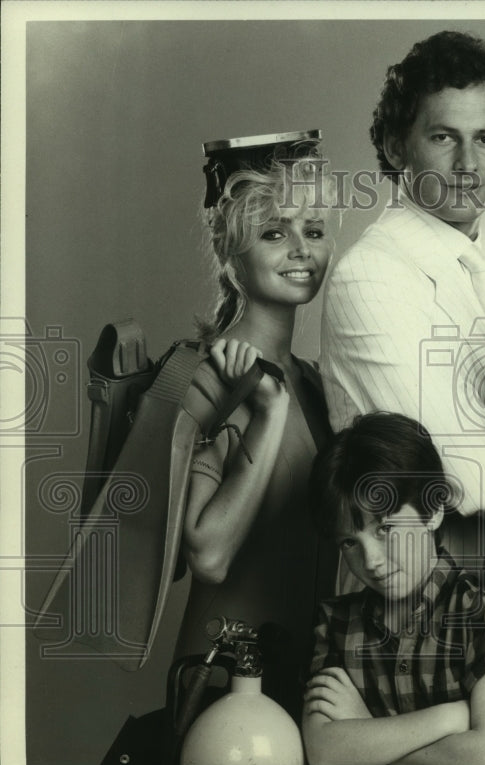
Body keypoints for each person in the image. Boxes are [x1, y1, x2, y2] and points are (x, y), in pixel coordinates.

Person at [320, 30, 485, 533]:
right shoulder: (368, 279)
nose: (467, 165)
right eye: (443, 137)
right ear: (397, 148)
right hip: (434, 593)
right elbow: (467, 475)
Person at [174, 132, 338, 719]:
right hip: (223, 687)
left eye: (313, 231)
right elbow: (209, 556)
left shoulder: (317, 381)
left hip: (304, 682)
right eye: (274, 233)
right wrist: (267, 417)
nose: (301, 249)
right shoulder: (205, 377)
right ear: (229, 249)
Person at [303, 412, 485, 765]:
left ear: (433, 510)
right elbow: (324, 753)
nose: (371, 561)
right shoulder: (335, 623)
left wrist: (366, 732)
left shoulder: (481, 607)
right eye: (349, 543)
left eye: (385, 529)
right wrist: (447, 719)